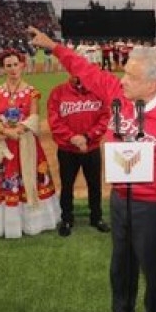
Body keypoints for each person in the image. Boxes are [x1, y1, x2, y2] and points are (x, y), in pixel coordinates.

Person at [30, 25, 156, 312]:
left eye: (131, 76)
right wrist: (53, 46)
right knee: (121, 266)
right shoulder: (119, 95)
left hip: (155, 207)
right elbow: (85, 69)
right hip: (121, 199)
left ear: (152, 84)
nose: (122, 80)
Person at [0, 49, 61, 238]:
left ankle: (31, 223)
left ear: (22, 65)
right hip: (3, 146)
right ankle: (7, 224)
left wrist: (16, 130)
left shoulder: (32, 92)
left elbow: (34, 118)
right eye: (8, 65)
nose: (12, 69)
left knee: (29, 179)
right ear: (3, 68)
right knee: (4, 183)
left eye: (15, 64)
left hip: (25, 144)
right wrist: (4, 131)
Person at [47, 75, 111, 237]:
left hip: (91, 147)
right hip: (67, 149)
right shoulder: (58, 92)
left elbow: (105, 118)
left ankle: (96, 217)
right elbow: (54, 120)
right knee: (67, 185)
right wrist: (72, 138)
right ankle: (67, 219)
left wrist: (87, 137)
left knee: (95, 185)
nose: (79, 76)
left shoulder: (98, 92)